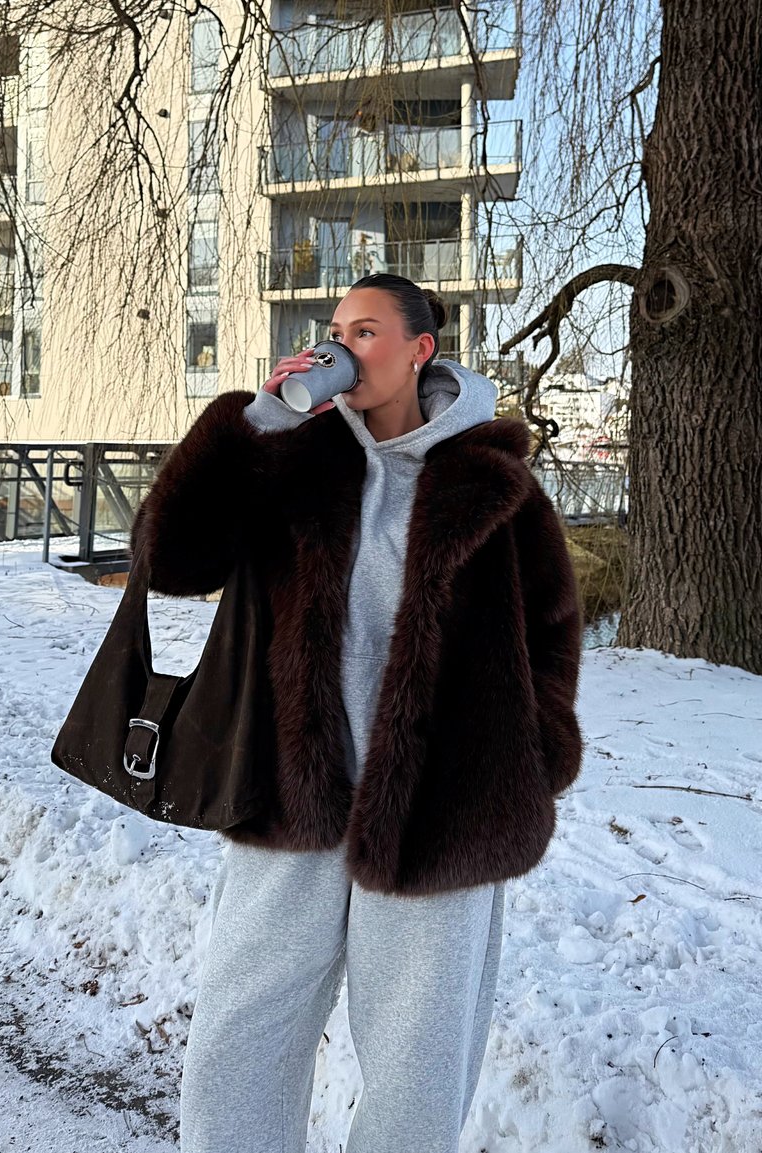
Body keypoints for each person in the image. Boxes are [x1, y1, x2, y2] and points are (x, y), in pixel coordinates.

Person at [130, 272, 583, 1153]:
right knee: (239, 1037)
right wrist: (253, 423)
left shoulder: (499, 486)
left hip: (442, 813)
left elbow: (552, 632)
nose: (341, 345)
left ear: (420, 350)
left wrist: (537, 753)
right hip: (291, 797)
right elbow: (171, 558)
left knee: (418, 1065)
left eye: (365, 331)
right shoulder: (292, 461)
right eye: (335, 328)